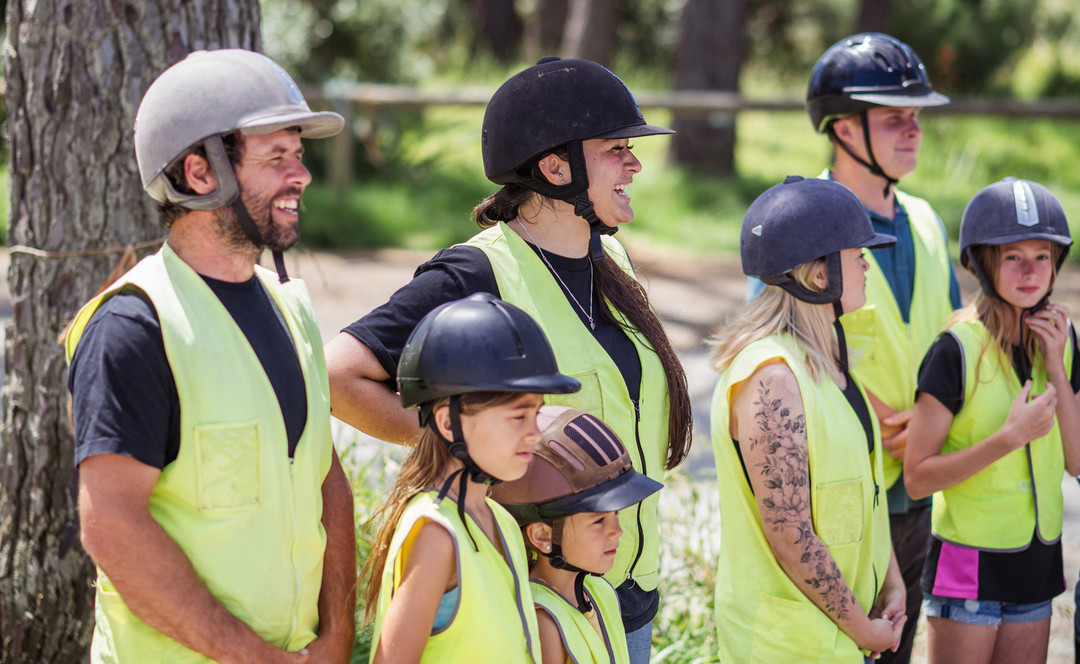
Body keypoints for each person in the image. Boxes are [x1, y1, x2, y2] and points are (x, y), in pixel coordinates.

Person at [326, 56, 693, 662]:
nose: (635, 164)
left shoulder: (613, 262)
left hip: (622, 598)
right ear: (555, 166)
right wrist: (466, 439)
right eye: (615, 149)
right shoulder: (474, 272)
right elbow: (340, 375)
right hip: (535, 603)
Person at [65, 49, 356, 663]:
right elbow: (111, 525)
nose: (300, 174)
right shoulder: (133, 326)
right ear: (200, 173)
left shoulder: (290, 307)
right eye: (276, 157)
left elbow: (323, 476)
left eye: (298, 155)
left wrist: (335, 636)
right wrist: (252, 657)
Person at [805, 31, 960, 664]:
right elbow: (778, 351)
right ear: (843, 130)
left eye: (917, 117)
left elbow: (952, 332)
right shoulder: (801, 222)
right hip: (846, 495)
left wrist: (934, 418)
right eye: (894, 117)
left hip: (922, 490)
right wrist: (869, 415)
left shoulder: (926, 220)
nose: (913, 129)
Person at [711, 175, 906, 662]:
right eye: (857, 255)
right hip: (791, 646)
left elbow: (866, 495)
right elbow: (789, 532)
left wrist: (892, 579)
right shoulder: (772, 377)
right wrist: (864, 630)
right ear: (820, 276)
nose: (866, 264)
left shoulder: (830, 362)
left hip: (836, 636)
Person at [904, 177, 1080, 664]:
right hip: (966, 565)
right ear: (984, 263)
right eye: (1012, 257)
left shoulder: (1061, 340)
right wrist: (1008, 439)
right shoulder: (953, 350)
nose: (1030, 271)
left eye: (1041, 256)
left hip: (1037, 561)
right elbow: (917, 478)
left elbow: (1076, 460)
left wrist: (1059, 369)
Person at [362, 292, 582, 664]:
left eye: (537, 415)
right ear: (449, 423)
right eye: (517, 417)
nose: (535, 433)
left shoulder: (501, 521)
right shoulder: (435, 533)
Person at [493, 406, 663, 664]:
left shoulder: (599, 591)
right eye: (598, 521)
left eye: (615, 515)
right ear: (542, 536)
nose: (617, 531)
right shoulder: (544, 620)